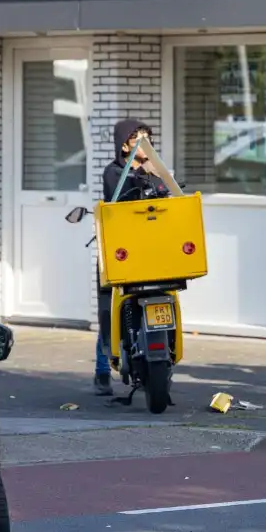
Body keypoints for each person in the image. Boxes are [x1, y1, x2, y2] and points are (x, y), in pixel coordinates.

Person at [93, 119, 166, 396]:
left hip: (150, 246)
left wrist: (156, 175)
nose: (144, 144)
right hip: (122, 248)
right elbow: (118, 199)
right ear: (125, 145)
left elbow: (166, 198)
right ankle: (102, 369)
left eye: (148, 139)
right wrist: (141, 175)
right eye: (139, 140)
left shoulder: (155, 170)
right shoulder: (114, 171)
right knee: (110, 307)